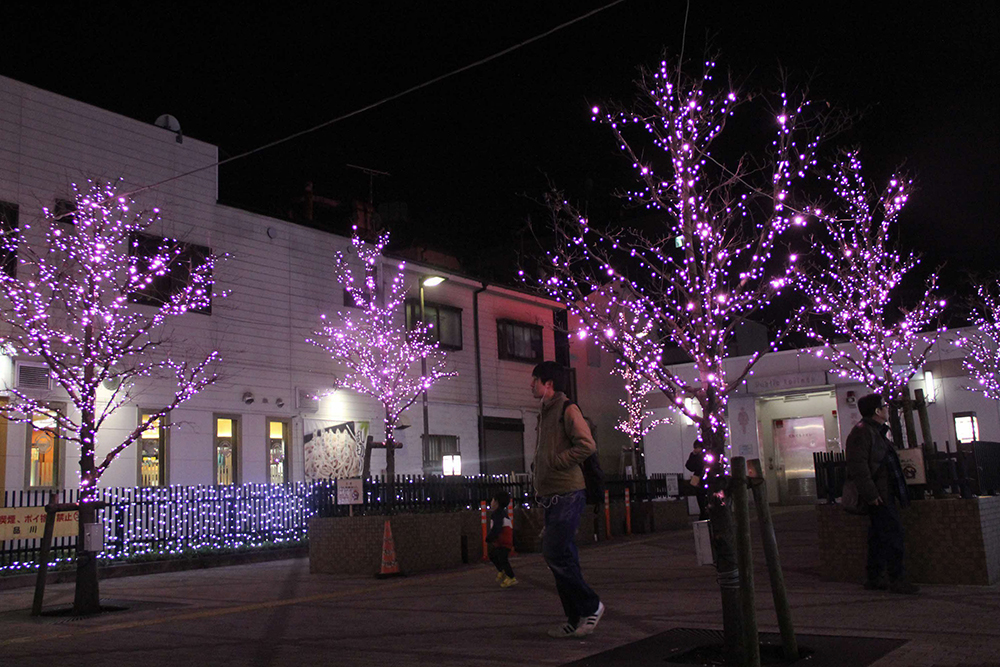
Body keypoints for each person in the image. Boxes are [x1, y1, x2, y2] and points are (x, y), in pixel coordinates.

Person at [530, 361, 605, 638]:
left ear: (548, 383)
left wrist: (558, 461)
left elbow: (587, 445)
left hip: (568, 493)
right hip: (551, 496)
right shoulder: (545, 412)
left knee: (554, 553)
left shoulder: (567, 409)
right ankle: (576, 618)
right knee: (562, 558)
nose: (531, 385)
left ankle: (591, 605)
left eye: (534, 379)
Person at [845, 393, 919, 594]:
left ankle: (875, 577)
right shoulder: (863, 433)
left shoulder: (875, 432)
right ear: (877, 411)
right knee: (893, 535)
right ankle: (897, 579)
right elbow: (858, 466)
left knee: (878, 536)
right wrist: (871, 493)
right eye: (884, 406)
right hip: (879, 495)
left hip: (883, 492)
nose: (887, 408)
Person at [485, 490, 517, 588]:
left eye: (492, 500)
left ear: (496, 502)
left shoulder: (497, 514)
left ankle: (511, 577)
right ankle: (502, 570)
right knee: (493, 555)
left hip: (503, 542)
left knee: (503, 559)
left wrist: (489, 538)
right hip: (504, 541)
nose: (491, 502)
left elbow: (497, 528)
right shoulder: (502, 513)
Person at [685, 440, 710, 520]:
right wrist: (693, 455)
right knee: (701, 499)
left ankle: (705, 514)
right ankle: (703, 513)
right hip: (699, 480)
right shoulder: (694, 456)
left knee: (705, 498)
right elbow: (689, 467)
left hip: (706, 479)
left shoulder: (706, 455)